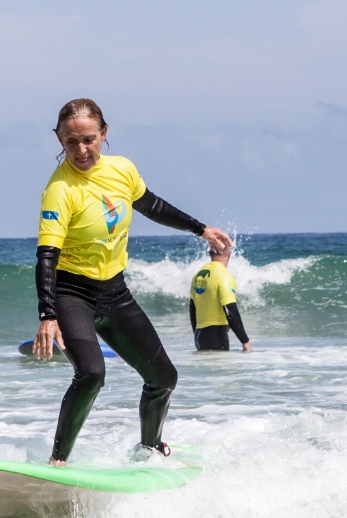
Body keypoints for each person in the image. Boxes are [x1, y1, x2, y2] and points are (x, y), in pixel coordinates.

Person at [32, 97, 231, 465]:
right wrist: (48, 314)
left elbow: (152, 206)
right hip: (72, 292)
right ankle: (58, 460)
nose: (81, 149)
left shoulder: (121, 170)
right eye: (71, 141)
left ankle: (150, 448)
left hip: (115, 291)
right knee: (91, 373)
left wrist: (200, 229)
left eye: (89, 139)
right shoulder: (60, 190)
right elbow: (47, 255)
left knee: (164, 377)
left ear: (104, 133)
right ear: (59, 139)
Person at [189, 243, 252, 352]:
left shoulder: (198, 275)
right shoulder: (224, 276)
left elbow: (192, 308)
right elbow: (230, 311)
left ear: (210, 253)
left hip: (200, 336)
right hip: (217, 336)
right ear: (229, 254)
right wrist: (245, 341)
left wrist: (196, 334)